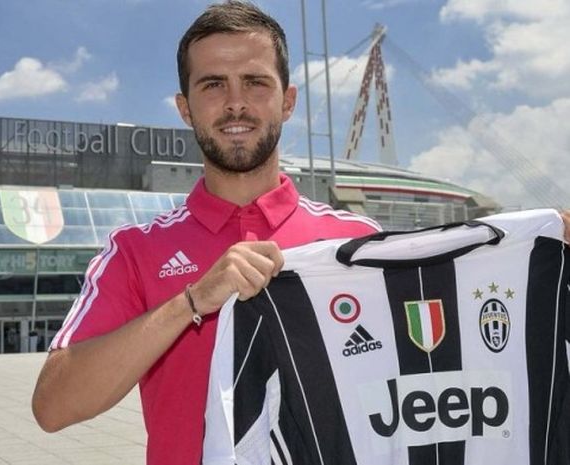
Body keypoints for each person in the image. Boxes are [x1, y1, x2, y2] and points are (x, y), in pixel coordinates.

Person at [32, 2, 570, 464]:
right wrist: (192, 301)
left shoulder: (356, 240)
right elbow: (53, 406)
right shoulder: (135, 250)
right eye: (213, 84)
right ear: (185, 107)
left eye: (256, 82)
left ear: (287, 101)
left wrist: (535, 257)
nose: (236, 103)